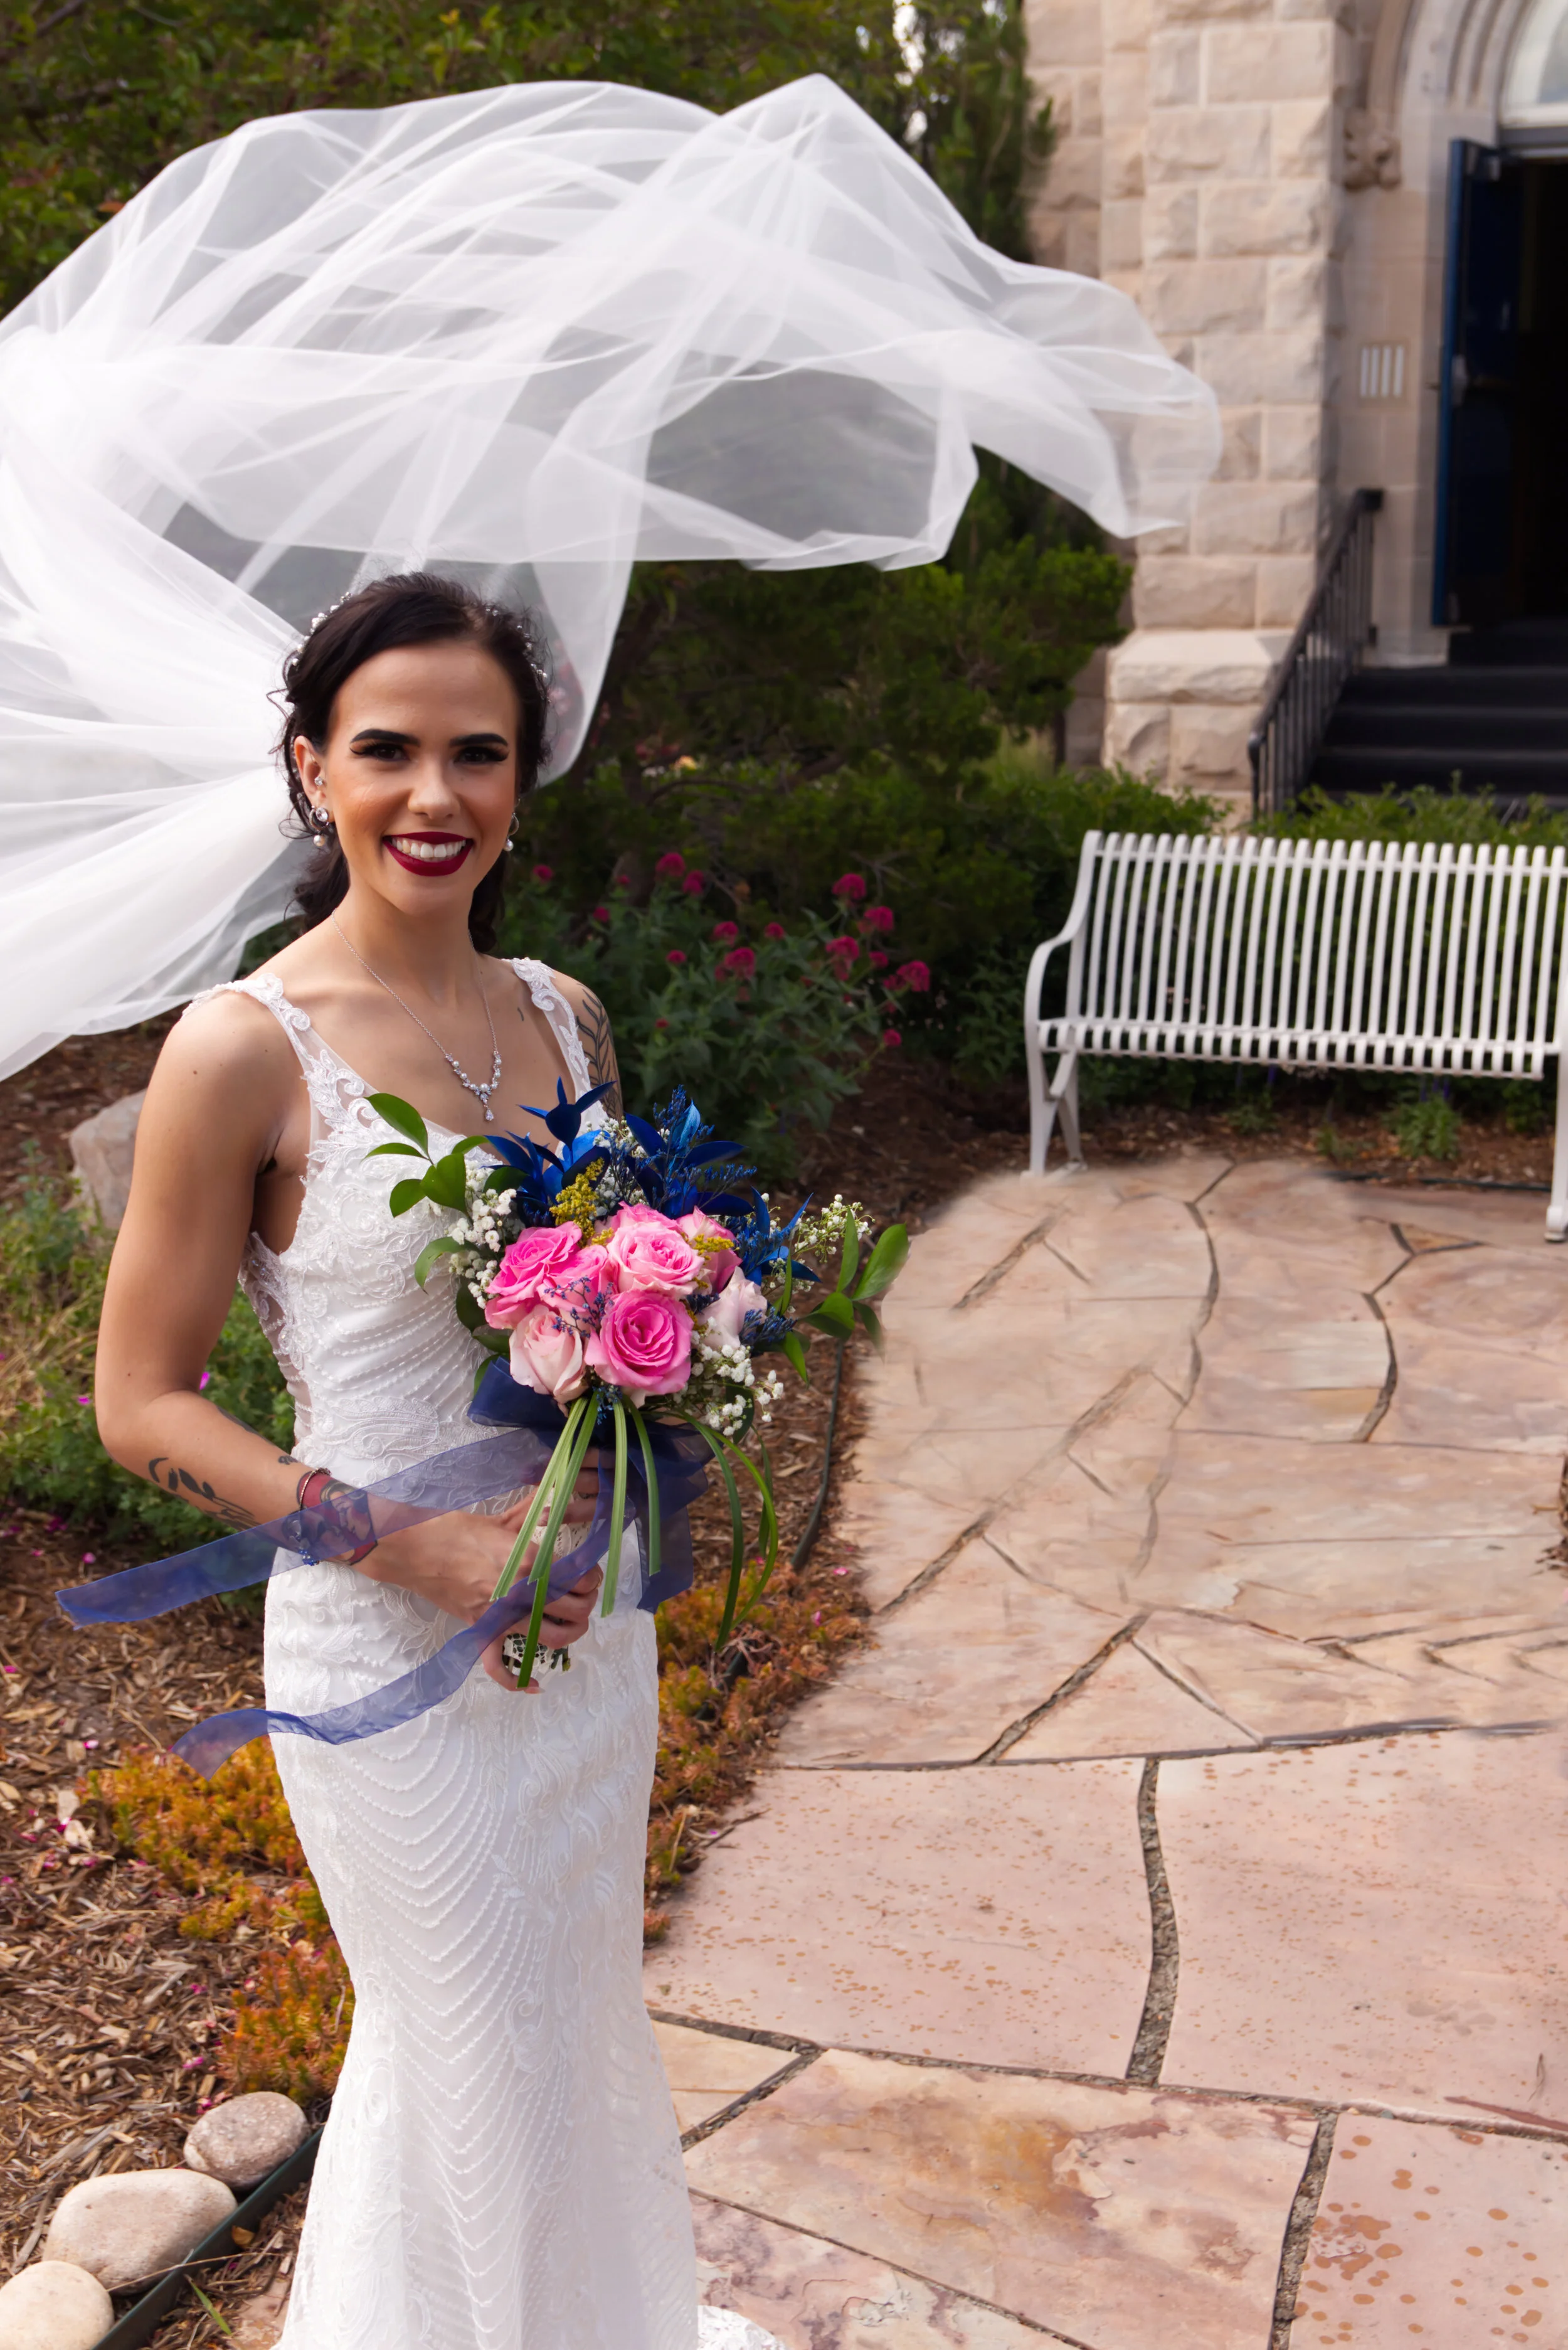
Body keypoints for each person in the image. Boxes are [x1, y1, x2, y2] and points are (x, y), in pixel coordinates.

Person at [94, 572, 775, 2350]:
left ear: (522, 784)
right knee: (452, 2035)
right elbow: (140, 1401)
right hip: (383, 1651)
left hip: (575, 1635)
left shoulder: (564, 1014)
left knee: (566, 2027)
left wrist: (664, 1383)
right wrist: (416, 1551)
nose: (434, 794)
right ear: (312, 766)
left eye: (478, 753)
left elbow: (615, 1307)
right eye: (386, 749)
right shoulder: (242, 1048)